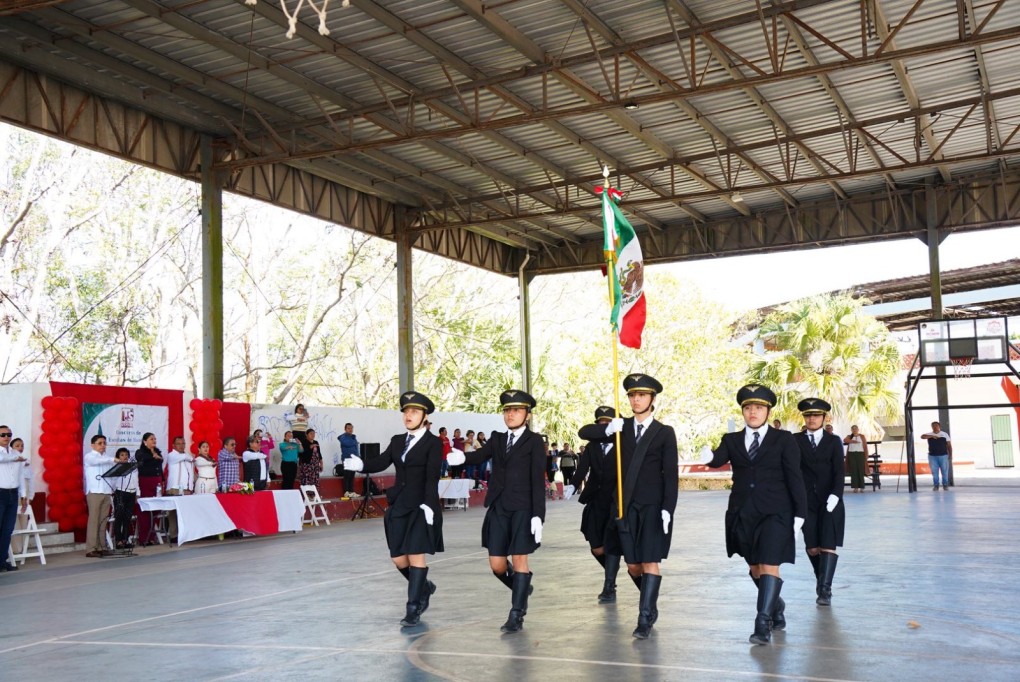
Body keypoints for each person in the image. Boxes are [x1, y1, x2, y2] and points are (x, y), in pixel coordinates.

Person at [699, 384, 807, 645]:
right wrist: (709, 456)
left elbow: (795, 477)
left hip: (776, 512)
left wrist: (800, 513)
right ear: (743, 412)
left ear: (768, 411)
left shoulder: (784, 440)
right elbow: (717, 460)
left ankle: (762, 624)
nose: (753, 412)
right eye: (748, 408)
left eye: (758, 407)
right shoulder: (732, 440)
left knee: (769, 563)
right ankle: (776, 606)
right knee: (755, 568)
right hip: (743, 512)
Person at [578, 374, 678, 639]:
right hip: (624, 508)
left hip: (652, 508)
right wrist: (609, 429)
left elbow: (671, 474)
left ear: (652, 399)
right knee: (633, 566)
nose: (636, 399)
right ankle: (650, 600)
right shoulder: (620, 429)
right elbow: (584, 433)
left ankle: (644, 618)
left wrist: (668, 509)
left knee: (650, 562)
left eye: (642, 395)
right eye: (633, 395)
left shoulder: (664, 433)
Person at [447, 390, 546, 634]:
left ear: (527, 415)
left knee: (520, 559)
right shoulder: (497, 439)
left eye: (516, 410)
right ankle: (522, 587)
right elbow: (479, 455)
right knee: (497, 565)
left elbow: (536, 479)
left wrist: (538, 515)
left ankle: (517, 613)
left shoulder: (534, 441)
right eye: (507, 410)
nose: (510, 414)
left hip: (523, 508)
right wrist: (461, 458)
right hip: (499, 507)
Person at [343, 391, 444, 627]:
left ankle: (413, 608)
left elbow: (432, 477)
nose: (409, 415)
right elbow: (382, 461)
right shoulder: (398, 440)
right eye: (406, 411)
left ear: (424, 416)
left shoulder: (433, 443)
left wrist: (430, 505)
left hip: (421, 505)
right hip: (399, 504)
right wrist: (362, 465)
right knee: (399, 559)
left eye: (414, 411)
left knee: (415, 555)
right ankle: (425, 587)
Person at [793, 398, 845, 607]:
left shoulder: (833, 441)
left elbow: (839, 472)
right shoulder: (795, 440)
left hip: (830, 500)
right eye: (808, 415)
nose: (811, 419)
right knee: (813, 547)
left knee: (828, 545)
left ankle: (825, 590)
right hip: (806, 502)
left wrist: (836, 494)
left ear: (824, 418)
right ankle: (820, 580)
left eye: (816, 415)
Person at [568, 406, 622, 604]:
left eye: (608, 423)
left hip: (615, 501)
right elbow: (583, 468)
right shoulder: (592, 446)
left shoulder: (622, 444)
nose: (604, 426)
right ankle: (612, 571)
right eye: (601, 423)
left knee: (612, 543)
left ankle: (609, 586)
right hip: (596, 500)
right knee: (596, 547)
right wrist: (573, 484)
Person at [83, 434, 116, 558]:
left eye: (104, 443)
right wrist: (113, 460)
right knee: (94, 520)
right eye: (100, 443)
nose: (103, 445)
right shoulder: (89, 457)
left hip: (106, 491)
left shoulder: (107, 457)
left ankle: (102, 546)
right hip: (95, 492)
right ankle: (91, 548)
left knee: (103, 521)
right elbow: (96, 462)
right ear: (93, 445)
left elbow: (111, 475)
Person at [0, 426, 26, 571]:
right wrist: (16, 458)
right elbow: (1, 458)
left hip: (13, 493)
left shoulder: (16, 453)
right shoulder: (14, 455)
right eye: (3, 434)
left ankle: (2, 561)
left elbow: (21, 475)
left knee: (7, 529)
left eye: (9, 434)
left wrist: (23, 495)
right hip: (0, 493)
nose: (6, 437)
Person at [134, 432, 164, 546]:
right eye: (151, 439)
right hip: (145, 481)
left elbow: (159, 466)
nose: (154, 441)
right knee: (145, 510)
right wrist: (153, 456)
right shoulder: (140, 452)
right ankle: (144, 538)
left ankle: (152, 537)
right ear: (145, 441)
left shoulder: (158, 452)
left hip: (157, 482)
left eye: (155, 439)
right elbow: (143, 460)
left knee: (156, 508)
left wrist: (162, 479)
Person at [165, 436, 195, 543]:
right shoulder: (172, 455)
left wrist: (191, 488)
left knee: (184, 513)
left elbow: (190, 473)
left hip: (186, 489)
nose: (182, 446)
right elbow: (188, 458)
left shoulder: (186, 456)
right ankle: (174, 536)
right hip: (174, 488)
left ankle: (184, 534)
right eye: (179, 443)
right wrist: (190, 457)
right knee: (173, 513)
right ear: (173, 445)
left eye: (183, 443)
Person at [111, 447, 139, 549]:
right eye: (122, 455)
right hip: (120, 493)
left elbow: (136, 481)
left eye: (126, 455)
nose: (125, 457)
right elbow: (113, 481)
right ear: (118, 457)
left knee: (127, 518)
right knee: (119, 518)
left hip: (131, 493)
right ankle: (118, 541)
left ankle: (125, 539)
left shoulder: (133, 467)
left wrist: (137, 493)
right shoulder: (116, 467)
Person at [921, 422, 953, 491]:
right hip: (932, 456)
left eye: (936, 426)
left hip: (943, 456)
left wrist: (950, 455)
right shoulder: (929, 434)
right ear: (931, 427)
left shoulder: (944, 434)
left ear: (939, 426)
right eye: (933, 426)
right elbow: (922, 436)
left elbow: (949, 445)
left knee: (944, 471)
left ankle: (945, 485)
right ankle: (936, 485)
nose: (935, 427)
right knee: (934, 472)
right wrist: (932, 436)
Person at [338, 423, 361, 500]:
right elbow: (348, 444)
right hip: (347, 459)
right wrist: (354, 441)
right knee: (347, 476)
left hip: (354, 459)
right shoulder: (343, 437)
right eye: (348, 428)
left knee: (352, 476)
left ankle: (351, 491)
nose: (350, 430)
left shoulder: (353, 437)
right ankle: (346, 492)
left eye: (351, 428)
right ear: (345, 429)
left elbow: (356, 448)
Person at [843, 425, 869, 493]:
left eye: (855, 429)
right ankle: (855, 487)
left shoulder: (862, 436)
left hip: (860, 454)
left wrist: (866, 455)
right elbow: (845, 440)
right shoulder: (849, 436)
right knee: (854, 471)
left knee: (861, 470)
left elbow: (865, 446)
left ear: (858, 429)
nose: (854, 430)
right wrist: (852, 441)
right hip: (852, 454)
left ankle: (862, 487)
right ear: (851, 430)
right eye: (853, 429)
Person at [11, 438, 33, 515]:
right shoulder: (8, 461)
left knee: (24, 515)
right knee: (13, 515)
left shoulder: (27, 462)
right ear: (11, 448)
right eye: (17, 446)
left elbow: (31, 480)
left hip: (24, 493)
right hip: (13, 492)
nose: (20, 448)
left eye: (22, 446)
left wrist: (31, 496)